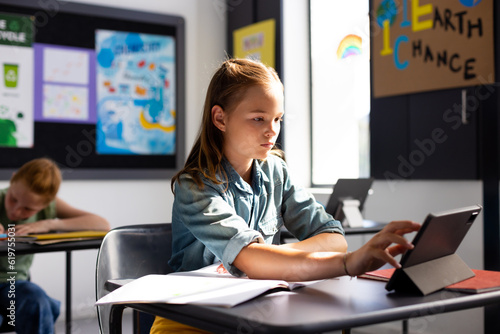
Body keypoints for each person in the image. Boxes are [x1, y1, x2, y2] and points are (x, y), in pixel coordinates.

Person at [150, 58, 420, 333]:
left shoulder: (276, 170)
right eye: (258, 119)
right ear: (220, 118)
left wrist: (272, 256)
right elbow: (252, 261)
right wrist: (347, 264)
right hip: (191, 318)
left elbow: (334, 239)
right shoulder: (194, 185)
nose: (272, 130)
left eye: (277, 119)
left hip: (256, 310)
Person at [0, 157, 110, 334]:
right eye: (13, 199)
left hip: (15, 284)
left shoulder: (48, 209)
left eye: (28, 209)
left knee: (37, 301)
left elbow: (102, 224)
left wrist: (49, 224)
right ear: (12, 180)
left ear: (48, 203)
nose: (16, 211)